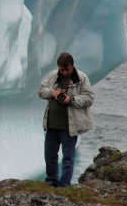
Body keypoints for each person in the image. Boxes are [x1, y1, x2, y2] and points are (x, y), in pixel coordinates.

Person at [37, 51, 94, 187]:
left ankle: (64, 184)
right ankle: (51, 181)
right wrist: (53, 92)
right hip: (52, 125)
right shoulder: (53, 76)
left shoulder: (81, 78)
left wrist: (71, 99)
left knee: (68, 158)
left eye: (66, 69)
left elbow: (89, 98)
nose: (63, 72)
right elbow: (41, 91)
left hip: (70, 126)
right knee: (50, 155)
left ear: (72, 66)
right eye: (61, 69)